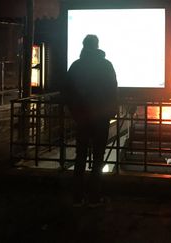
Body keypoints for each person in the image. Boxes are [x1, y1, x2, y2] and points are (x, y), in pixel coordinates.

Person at [63, 35, 118, 207]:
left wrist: (75, 112)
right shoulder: (106, 65)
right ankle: (95, 196)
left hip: (82, 118)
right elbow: (112, 90)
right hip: (100, 118)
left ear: (84, 45)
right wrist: (111, 112)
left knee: (80, 156)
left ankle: (77, 196)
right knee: (98, 157)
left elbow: (67, 90)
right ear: (97, 46)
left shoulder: (76, 66)